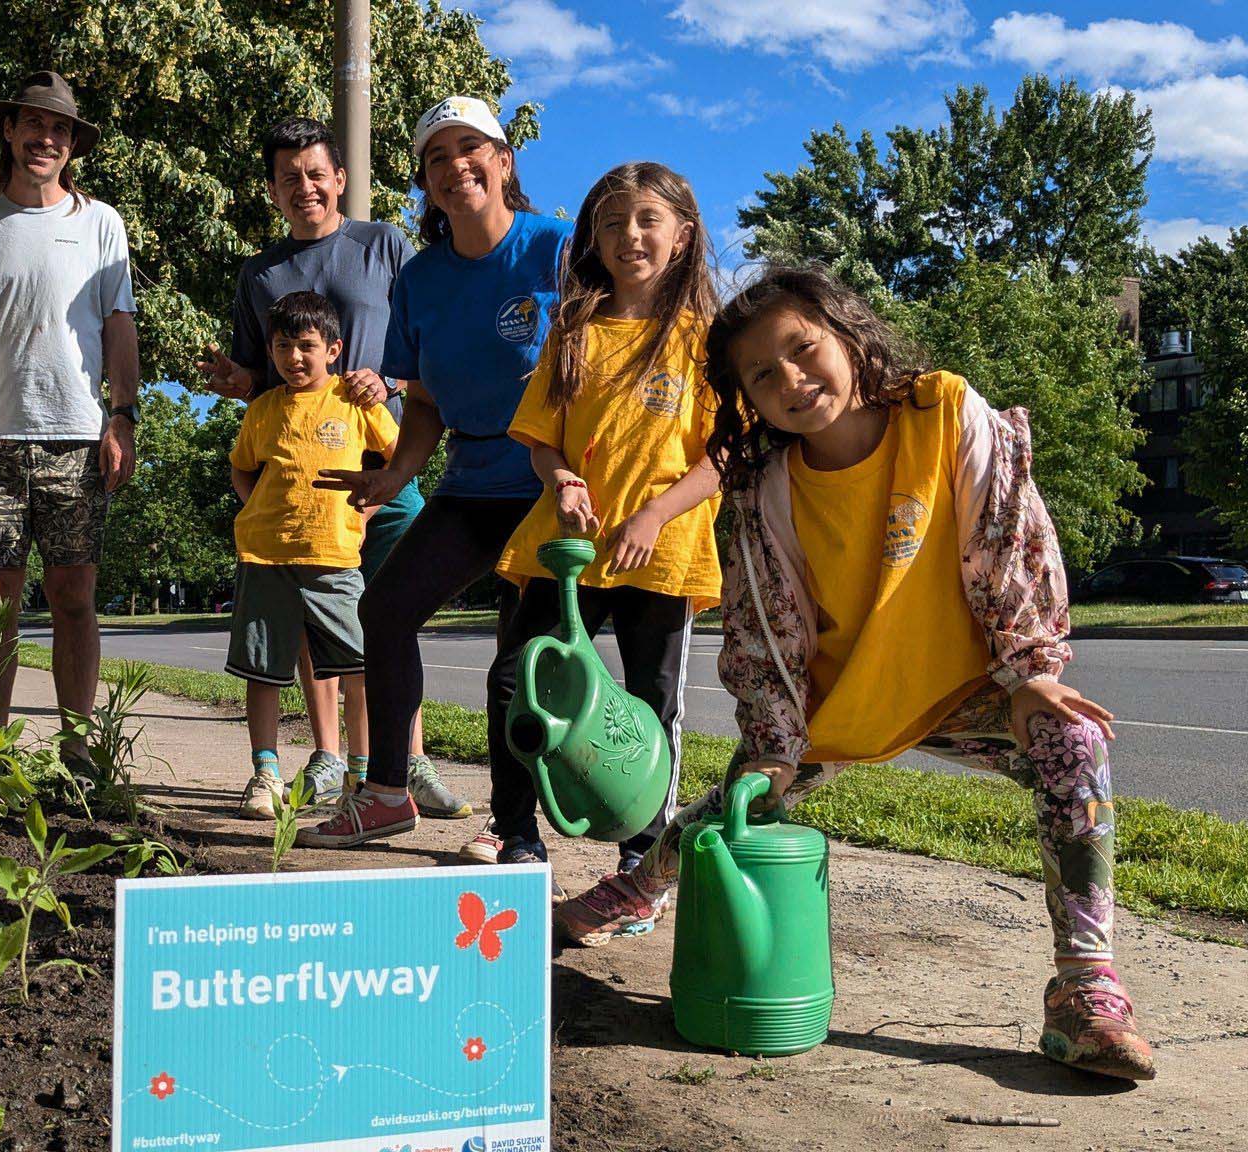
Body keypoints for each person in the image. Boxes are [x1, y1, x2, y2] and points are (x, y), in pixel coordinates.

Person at [554, 264, 1154, 1081]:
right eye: (761, 376)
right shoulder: (768, 488)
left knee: (1072, 742)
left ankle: (1086, 989)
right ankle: (640, 889)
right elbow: (766, 626)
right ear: (744, 400)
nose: (792, 381)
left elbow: (1011, 532)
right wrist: (773, 739)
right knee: (738, 804)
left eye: (804, 349)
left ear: (848, 334)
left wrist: (1028, 671)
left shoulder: (942, 411)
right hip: (835, 702)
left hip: (968, 684)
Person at [301, 96, 569, 852]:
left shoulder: (557, 248)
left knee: (514, 667)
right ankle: (387, 791)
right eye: (436, 157)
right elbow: (422, 399)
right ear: (425, 182)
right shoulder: (419, 280)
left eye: (470, 148)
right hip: (473, 484)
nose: (455, 167)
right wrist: (395, 474)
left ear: (504, 162)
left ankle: (517, 836)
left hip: (552, 487)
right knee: (383, 613)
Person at [197, 116, 463, 815]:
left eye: (316, 173)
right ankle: (327, 756)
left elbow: (426, 341)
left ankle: (412, 760)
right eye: (289, 178)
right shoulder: (262, 273)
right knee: (318, 618)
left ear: (340, 178)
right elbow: (266, 379)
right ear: (273, 190)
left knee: (393, 616)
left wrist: (396, 384)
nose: (305, 187)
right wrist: (236, 379)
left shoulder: (384, 243)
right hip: (308, 485)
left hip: (388, 465)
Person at [491, 161, 726, 894]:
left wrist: (655, 513)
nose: (631, 236)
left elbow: (724, 455)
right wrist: (559, 477)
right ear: (593, 236)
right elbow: (541, 436)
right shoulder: (572, 327)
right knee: (517, 683)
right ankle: (518, 834)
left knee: (650, 702)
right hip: (567, 553)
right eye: (614, 222)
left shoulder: (709, 340)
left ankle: (642, 854)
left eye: (648, 220)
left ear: (683, 236)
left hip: (664, 553)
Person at [0, 70, 140, 770]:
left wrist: (123, 418)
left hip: (77, 438)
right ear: (9, 131)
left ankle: (80, 748)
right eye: (32, 124)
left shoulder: (101, 224)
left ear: (72, 142)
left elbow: (120, 328)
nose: (44, 138)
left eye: (59, 128)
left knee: (74, 595)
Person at [225, 292, 398, 817]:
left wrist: (363, 515)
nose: (294, 357)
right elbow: (241, 466)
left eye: (306, 346)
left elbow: (397, 461)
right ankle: (265, 773)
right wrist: (254, 507)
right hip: (265, 558)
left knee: (359, 669)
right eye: (282, 346)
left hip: (336, 557)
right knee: (264, 670)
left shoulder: (354, 402)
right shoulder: (262, 410)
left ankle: (362, 774)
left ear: (333, 348)